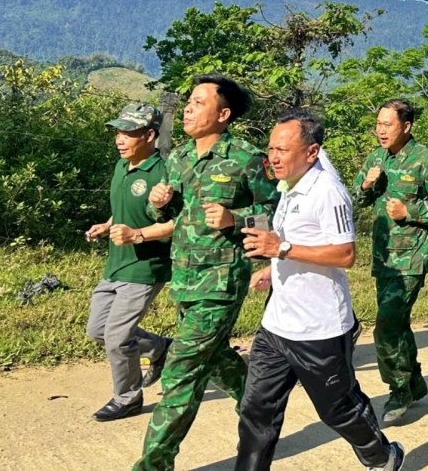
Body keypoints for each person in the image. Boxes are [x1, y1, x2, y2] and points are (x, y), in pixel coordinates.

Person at [235, 109, 404, 471]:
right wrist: (273, 264)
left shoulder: (329, 192)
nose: (274, 157)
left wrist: (279, 250)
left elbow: (345, 254)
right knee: (255, 410)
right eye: (271, 148)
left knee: (337, 409)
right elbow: (295, 242)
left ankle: (383, 458)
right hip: (276, 325)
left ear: (311, 152)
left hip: (319, 330)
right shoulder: (289, 187)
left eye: (283, 149)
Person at [133, 75, 280, 471]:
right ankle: (261, 410)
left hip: (220, 283)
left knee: (181, 373)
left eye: (199, 103)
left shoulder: (248, 158)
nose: (188, 108)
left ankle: (153, 464)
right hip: (183, 279)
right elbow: (170, 216)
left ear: (224, 114)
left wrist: (236, 219)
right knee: (216, 361)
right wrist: (157, 202)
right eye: (189, 102)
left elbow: (278, 216)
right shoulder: (179, 157)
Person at [351, 100, 428, 425]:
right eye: (378, 124)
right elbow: (358, 199)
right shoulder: (376, 157)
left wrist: (408, 212)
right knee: (397, 323)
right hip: (384, 256)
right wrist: (367, 185)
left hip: (411, 257)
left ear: (407, 126)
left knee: (386, 327)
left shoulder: (427, 161)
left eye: (388, 124)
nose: (381, 130)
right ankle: (414, 381)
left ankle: (399, 390)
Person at [85, 103, 175, 422]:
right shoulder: (122, 166)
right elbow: (124, 206)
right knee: (97, 330)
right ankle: (159, 348)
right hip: (116, 264)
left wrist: (136, 234)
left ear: (150, 135)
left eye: (129, 133)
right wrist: (108, 224)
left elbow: (179, 222)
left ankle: (128, 397)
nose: (120, 139)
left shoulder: (164, 174)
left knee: (118, 336)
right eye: (119, 132)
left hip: (145, 267)